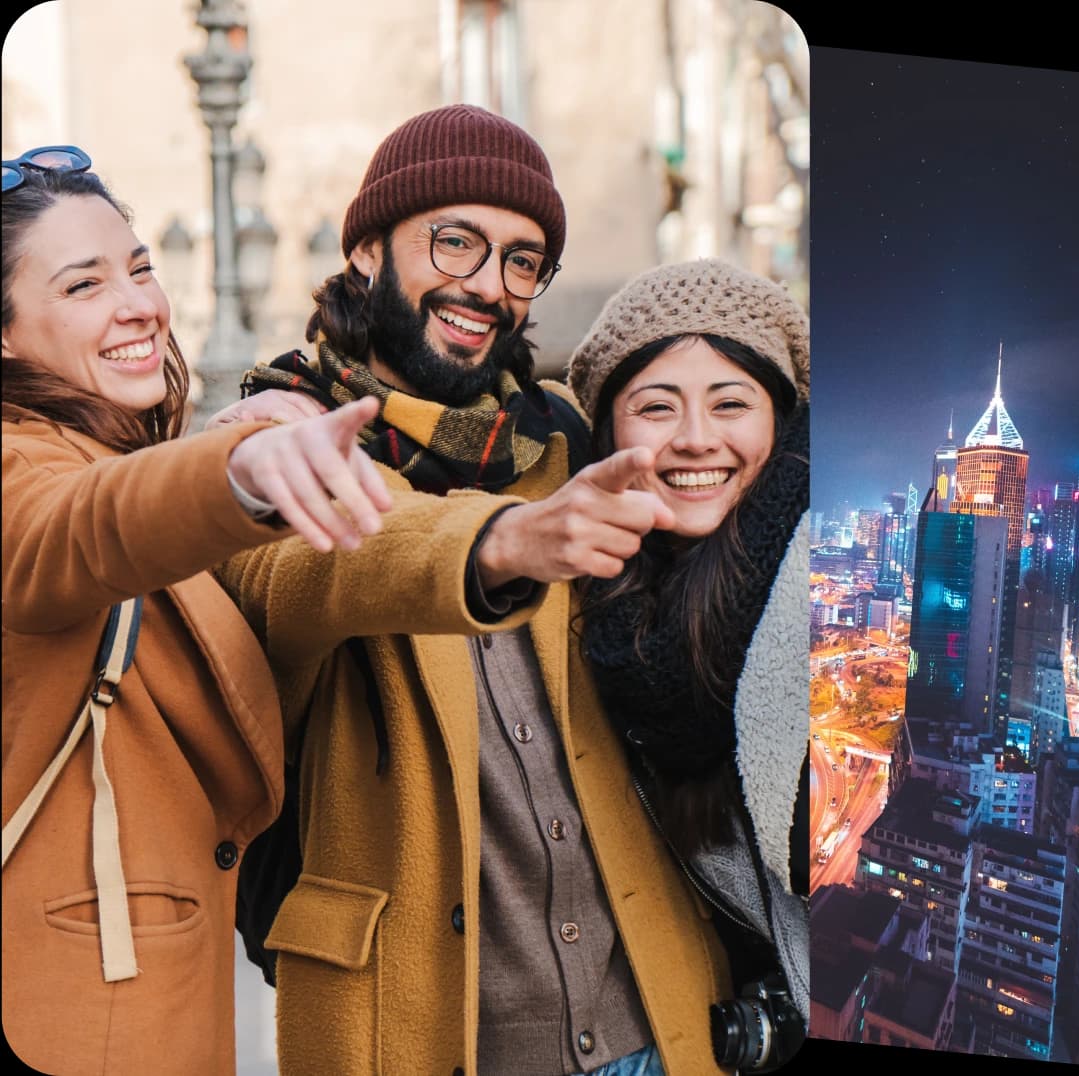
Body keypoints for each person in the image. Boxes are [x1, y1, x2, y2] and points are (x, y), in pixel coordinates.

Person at [213, 105, 734, 1076]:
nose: (489, 285)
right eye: (456, 241)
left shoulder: (565, 437)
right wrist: (501, 542)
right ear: (367, 248)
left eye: (522, 261)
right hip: (424, 1031)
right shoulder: (274, 439)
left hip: (652, 1021)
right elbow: (308, 569)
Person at [0, 148, 392, 1075]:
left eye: (139, 269)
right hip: (75, 1014)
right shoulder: (19, 466)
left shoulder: (100, 451)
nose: (138, 303)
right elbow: (80, 526)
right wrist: (236, 473)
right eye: (83, 285)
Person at [568, 259, 811, 1069]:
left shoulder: (823, 584)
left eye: (731, 403)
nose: (697, 438)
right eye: (657, 407)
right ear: (609, 433)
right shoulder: (606, 597)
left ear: (782, 420)